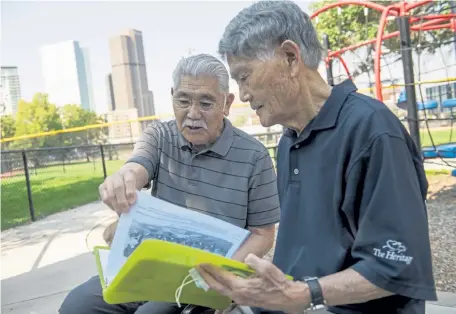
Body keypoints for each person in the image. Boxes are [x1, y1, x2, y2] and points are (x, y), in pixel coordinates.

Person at [196, 1, 437, 313]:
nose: (242, 94)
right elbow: (302, 261)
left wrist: (303, 294)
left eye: (244, 76)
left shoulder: (372, 130)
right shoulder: (288, 142)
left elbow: (397, 267)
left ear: (290, 57)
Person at [59, 53, 281, 314]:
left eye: (206, 103)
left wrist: (223, 276)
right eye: (183, 100)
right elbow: (137, 165)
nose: (192, 114)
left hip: (205, 276)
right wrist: (125, 179)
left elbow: (264, 235)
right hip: (146, 265)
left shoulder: (254, 156)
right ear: (173, 96)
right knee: (77, 304)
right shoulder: (159, 136)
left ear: (227, 103)